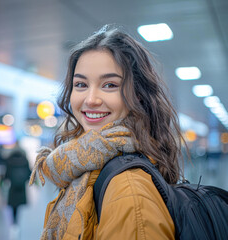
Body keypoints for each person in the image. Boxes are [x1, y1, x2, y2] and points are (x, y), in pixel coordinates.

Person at [29, 25, 185, 239]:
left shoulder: (129, 191)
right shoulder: (84, 165)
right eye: (81, 84)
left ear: (138, 94)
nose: (91, 99)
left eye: (110, 85)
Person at [4, 142, 31, 224]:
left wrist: (5, 180)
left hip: (13, 184)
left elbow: (7, 172)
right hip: (22, 184)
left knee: (13, 202)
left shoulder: (10, 159)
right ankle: (18, 217)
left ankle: (14, 218)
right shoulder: (24, 159)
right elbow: (28, 172)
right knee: (20, 201)